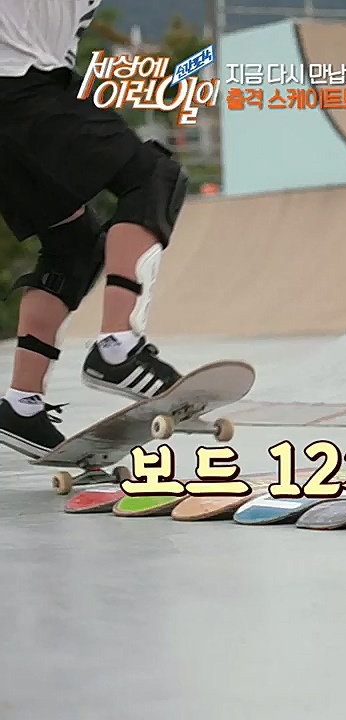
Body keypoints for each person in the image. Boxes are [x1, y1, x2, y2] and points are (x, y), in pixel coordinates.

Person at [0, 1, 185, 457]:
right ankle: (118, 348)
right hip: (24, 88)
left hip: (20, 100)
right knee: (152, 177)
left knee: (73, 244)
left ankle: (22, 404)